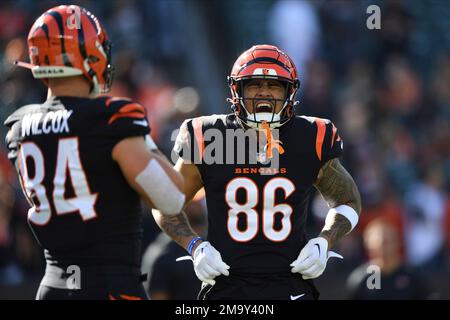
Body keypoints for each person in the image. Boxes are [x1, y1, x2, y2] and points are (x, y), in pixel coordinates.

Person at [3, 5, 185, 300]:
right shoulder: (109, 118)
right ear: (89, 55)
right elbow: (171, 198)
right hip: (109, 286)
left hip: (52, 287)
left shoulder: (19, 125)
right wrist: (146, 141)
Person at [152, 44, 362, 300]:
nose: (264, 94)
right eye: (254, 85)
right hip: (226, 287)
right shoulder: (209, 136)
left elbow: (348, 200)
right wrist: (195, 246)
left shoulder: (311, 136)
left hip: (290, 286)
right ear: (236, 90)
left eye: (274, 85)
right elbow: (163, 202)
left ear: (289, 91)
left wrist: (324, 241)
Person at [346, 218, 429, 299]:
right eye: (380, 242)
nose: (383, 247)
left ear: (398, 242)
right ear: (367, 244)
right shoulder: (360, 279)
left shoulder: (414, 277)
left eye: (388, 241)